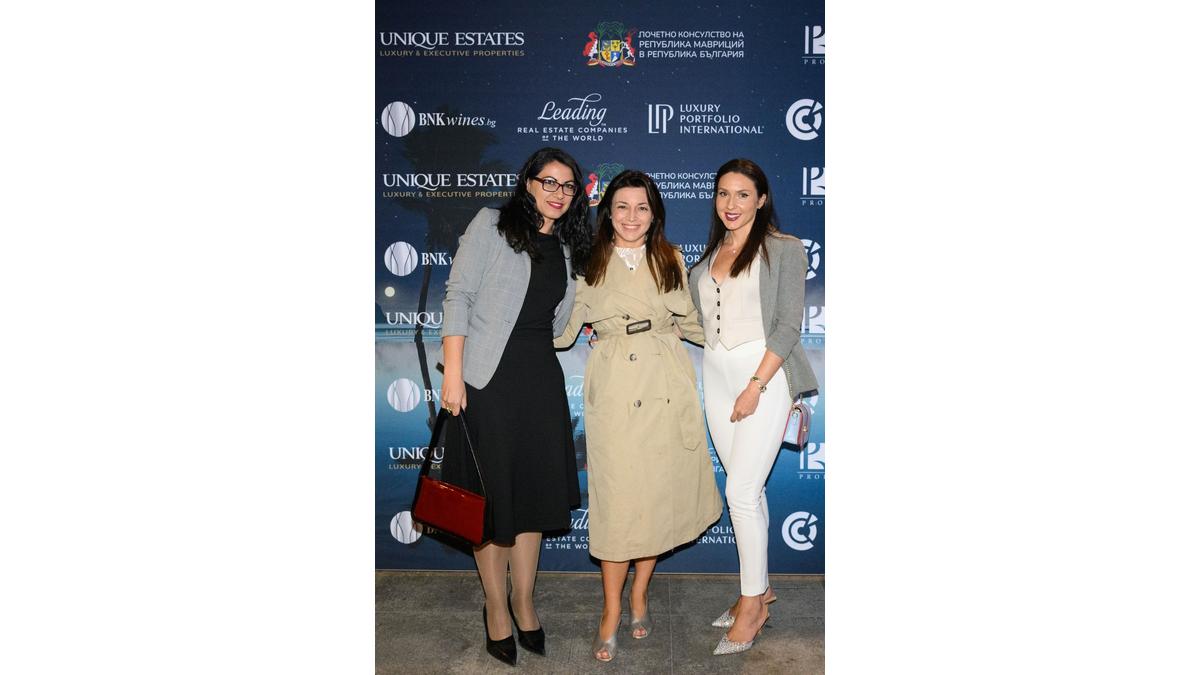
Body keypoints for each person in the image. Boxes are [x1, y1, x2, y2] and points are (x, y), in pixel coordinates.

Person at [555, 170, 722, 663]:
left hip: (665, 379)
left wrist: (745, 348)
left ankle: (640, 594)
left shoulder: (671, 258)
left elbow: (694, 322)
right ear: (607, 213)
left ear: (655, 215)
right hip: (615, 384)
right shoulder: (587, 260)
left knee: (655, 498)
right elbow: (563, 332)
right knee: (618, 503)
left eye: (642, 207)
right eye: (622, 206)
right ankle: (610, 610)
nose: (632, 216)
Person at [440, 147, 592, 666]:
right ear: (528, 182)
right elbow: (458, 296)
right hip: (488, 381)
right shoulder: (491, 225)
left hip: (540, 382)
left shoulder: (568, 248)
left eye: (567, 186)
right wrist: (454, 375)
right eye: (548, 181)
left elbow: (560, 322)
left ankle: (525, 601)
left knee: (532, 498)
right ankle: (496, 607)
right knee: (493, 501)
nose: (557, 193)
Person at [687, 158, 820, 656]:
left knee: (739, 493)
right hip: (717, 376)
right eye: (723, 193)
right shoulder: (706, 259)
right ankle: (760, 589)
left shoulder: (783, 249)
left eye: (743, 194)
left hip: (764, 376)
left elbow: (787, 326)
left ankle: (751, 608)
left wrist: (756, 386)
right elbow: (701, 324)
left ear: (761, 200)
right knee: (751, 492)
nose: (731, 203)